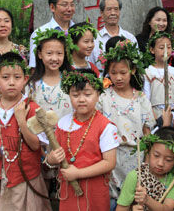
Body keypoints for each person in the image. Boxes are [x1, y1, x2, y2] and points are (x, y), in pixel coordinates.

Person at [0, 52, 51, 210]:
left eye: (17, 77)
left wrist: (22, 121)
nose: (11, 83)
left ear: (25, 80)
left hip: (26, 179)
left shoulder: (32, 108)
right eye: (5, 77)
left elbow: (36, 146)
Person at [46, 69, 119, 210]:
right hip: (69, 192)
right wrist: (51, 159)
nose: (81, 99)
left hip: (94, 192)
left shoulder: (106, 127)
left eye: (87, 94)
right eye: (75, 95)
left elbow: (109, 162)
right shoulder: (62, 123)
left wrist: (78, 173)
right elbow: (51, 158)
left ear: (98, 95)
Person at [97, 39, 155, 206]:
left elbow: (147, 132)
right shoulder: (103, 97)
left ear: (133, 70)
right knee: (112, 200)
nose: (119, 77)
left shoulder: (141, 99)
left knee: (132, 198)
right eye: (114, 73)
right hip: (110, 156)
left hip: (135, 157)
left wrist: (146, 161)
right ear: (108, 71)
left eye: (123, 72)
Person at [116, 127, 174, 211]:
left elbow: (167, 208)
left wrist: (147, 200)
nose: (160, 163)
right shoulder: (135, 176)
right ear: (148, 151)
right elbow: (121, 208)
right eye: (156, 155)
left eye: (168, 160)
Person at [26, 28, 73, 120]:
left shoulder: (71, 82)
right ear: (40, 54)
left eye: (59, 53)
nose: (54, 58)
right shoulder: (32, 85)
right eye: (49, 53)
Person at [28, 0, 75, 68]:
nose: (69, 9)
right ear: (52, 7)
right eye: (64, 5)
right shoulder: (39, 33)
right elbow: (34, 67)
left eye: (72, 4)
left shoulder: (79, 31)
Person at [88, 0, 137, 70]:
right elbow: (90, 65)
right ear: (101, 13)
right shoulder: (95, 39)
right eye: (109, 9)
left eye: (116, 9)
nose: (113, 13)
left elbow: (136, 64)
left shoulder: (130, 38)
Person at [143, 32, 174, 119]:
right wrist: (153, 117)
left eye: (168, 47)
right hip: (155, 113)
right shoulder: (148, 72)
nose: (165, 51)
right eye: (161, 48)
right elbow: (146, 97)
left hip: (172, 112)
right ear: (152, 50)